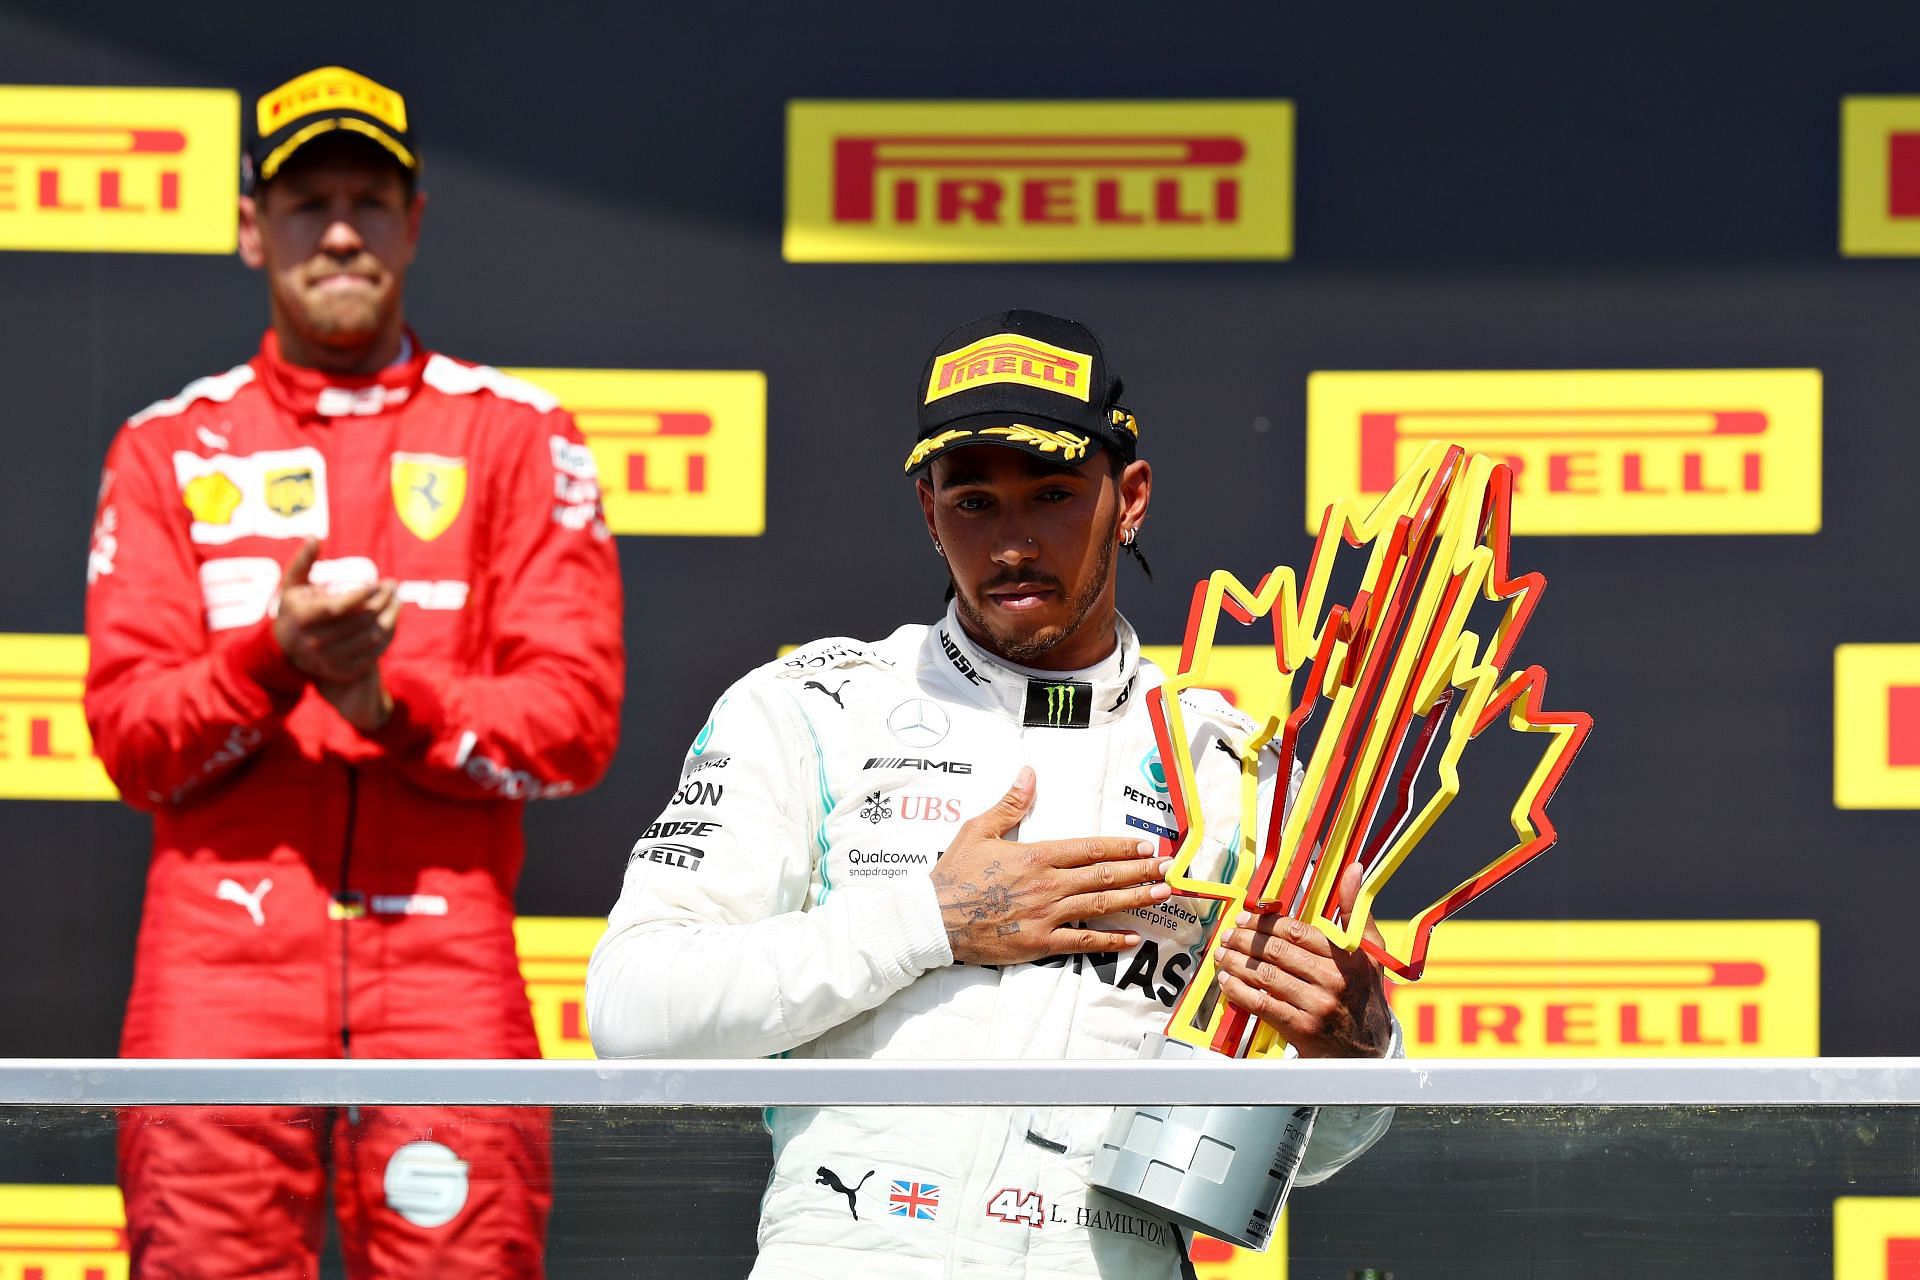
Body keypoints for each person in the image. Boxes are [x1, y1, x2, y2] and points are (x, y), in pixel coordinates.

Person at [587, 309, 1396, 1280]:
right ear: (929, 511)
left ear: (1129, 497)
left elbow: (1325, 1147)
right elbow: (632, 1010)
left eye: (1054, 493)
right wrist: (930, 920)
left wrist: (1355, 1049)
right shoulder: (812, 703)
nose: (1013, 540)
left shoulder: (1240, 769)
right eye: (974, 501)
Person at [83, 65, 624, 1278]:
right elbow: (129, 736)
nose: (338, 229)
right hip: (216, 976)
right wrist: (271, 658)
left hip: (444, 969)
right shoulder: (168, 445)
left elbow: (574, 723)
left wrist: (388, 703)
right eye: (303, 199)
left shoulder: (517, 434)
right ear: (247, 226)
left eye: (369, 200)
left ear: (414, 222)